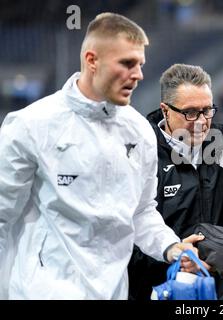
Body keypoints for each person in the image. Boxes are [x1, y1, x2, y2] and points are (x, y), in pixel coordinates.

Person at [0, 13, 202, 300]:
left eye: (140, 64)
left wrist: (171, 246)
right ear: (92, 60)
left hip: (113, 292)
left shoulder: (139, 132)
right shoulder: (30, 125)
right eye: (127, 63)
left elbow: (141, 212)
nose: (138, 74)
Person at [128, 63, 223, 300]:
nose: (201, 121)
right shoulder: (140, 153)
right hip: (157, 290)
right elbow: (128, 233)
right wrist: (175, 255)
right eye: (190, 113)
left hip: (218, 293)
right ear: (165, 110)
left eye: (207, 110)